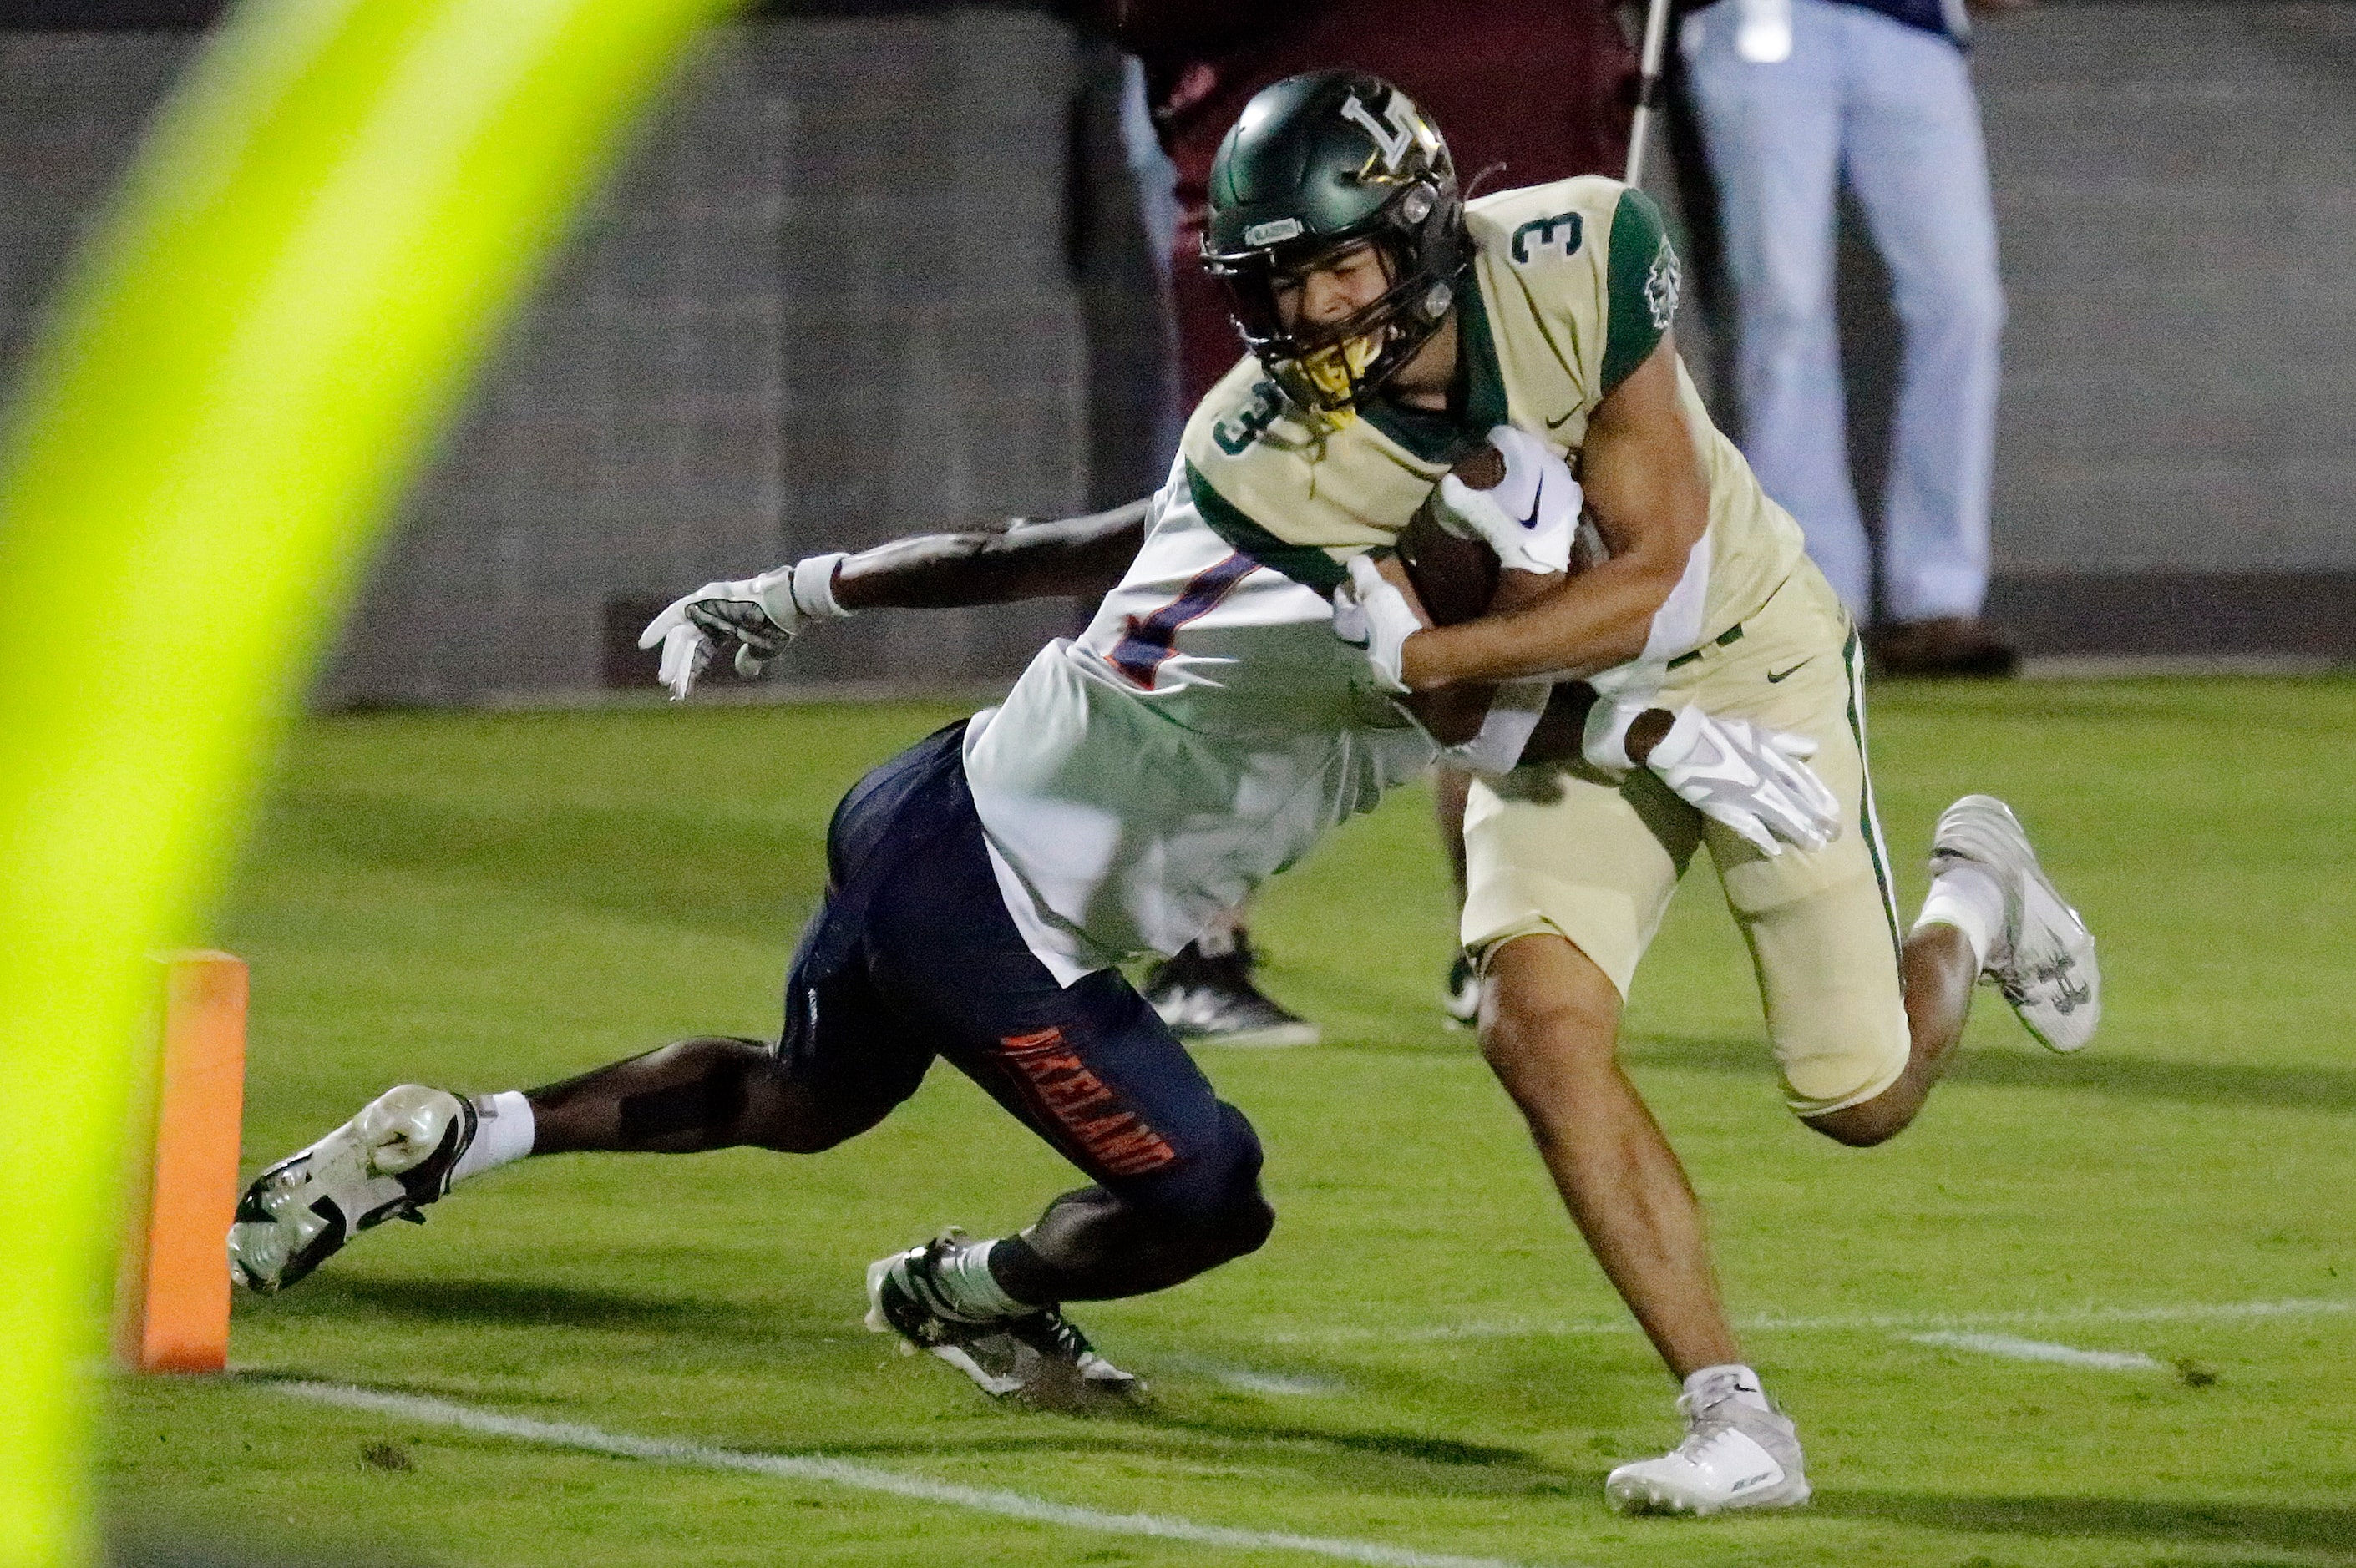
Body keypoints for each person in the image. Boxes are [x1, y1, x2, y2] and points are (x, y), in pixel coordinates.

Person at [228, 432, 1832, 1411]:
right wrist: (1661, 734)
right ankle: (966, 1290)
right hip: (997, 903)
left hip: (924, 804)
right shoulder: (1375, 623)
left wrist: (785, 592)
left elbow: (1017, 554)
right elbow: (1491, 712)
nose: (1529, 616)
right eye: (1511, 586)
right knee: (1210, 1189)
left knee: (804, 1097)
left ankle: (456, 1133)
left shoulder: (1268, 508)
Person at [1171, 71, 2098, 1511]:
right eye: (1275, 285)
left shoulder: (1571, 254)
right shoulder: (1266, 447)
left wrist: (1432, 640)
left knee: (1856, 1096)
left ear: (1416, 231)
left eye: (1335, 265)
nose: (1308, 316)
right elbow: (1461, 729)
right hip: (1557, 727)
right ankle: (1736, 1419)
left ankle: (1973, 894)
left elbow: (1656, 581)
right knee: (1533, 1022)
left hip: (1747, 665)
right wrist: (1448, 666)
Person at [1077, 0, 1641, 1042]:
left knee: (1524, 555)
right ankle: (1198, 941)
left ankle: (1508, 934)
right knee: (1254, 570)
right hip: (1293, 217)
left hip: (1503, 177)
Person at [1675, 0, 2029, 675]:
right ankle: (1814, 592)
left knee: (1963, 304)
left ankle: (1938, 597)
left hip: (1912, 23)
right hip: (1763, 16)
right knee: (1781, 308)